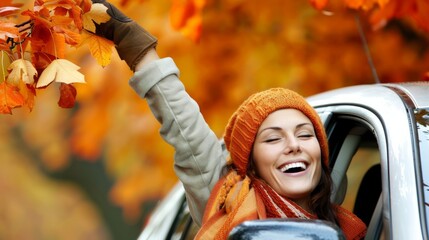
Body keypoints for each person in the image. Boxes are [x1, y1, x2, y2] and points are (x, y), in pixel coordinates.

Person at [87, 1, 367, 239]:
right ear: (251, 163)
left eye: (305, 135)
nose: (293, 145)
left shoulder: (355, 229)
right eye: (272, 138)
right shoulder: (227, 202)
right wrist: (136, 45)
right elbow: (188, 132)